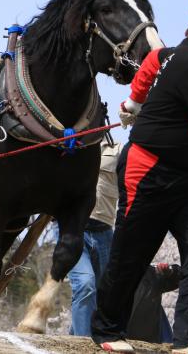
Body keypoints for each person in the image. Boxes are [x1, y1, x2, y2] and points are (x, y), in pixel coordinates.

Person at [91, 0, 188, 354]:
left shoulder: (168, 56)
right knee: (131, 253)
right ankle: (108, 331)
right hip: (150, 173)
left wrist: (133, 103)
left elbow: (147, 71)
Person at [68, 140, 122, 336]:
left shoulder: (118, 151)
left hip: (104, 230)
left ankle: (74, 339)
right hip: (71, 228)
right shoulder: (65, 145)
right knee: (85, 284)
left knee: (105, 294)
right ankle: (83, 345)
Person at [127, 263, 181, 344]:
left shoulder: (150, 273)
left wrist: (170, 272)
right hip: (122, 336)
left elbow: (181, 276)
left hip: (147, 338)